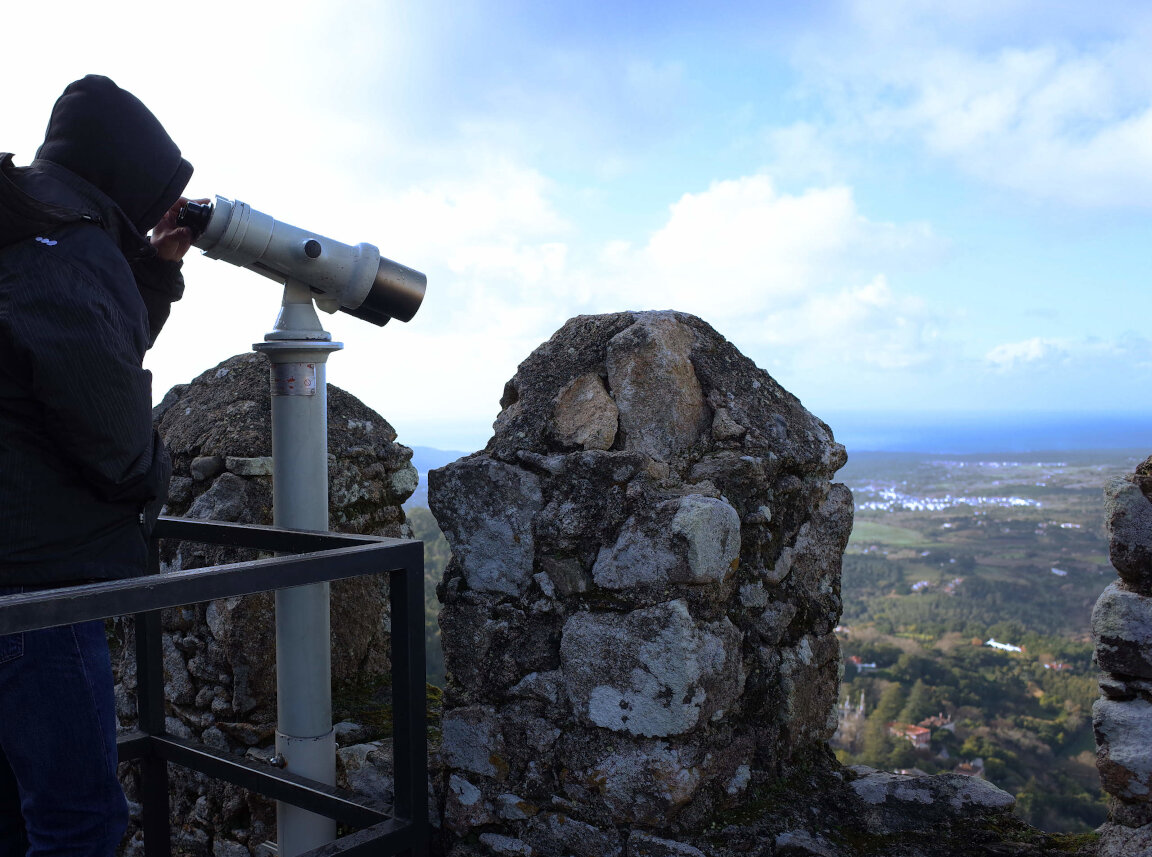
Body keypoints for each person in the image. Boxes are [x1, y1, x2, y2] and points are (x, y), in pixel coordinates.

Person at [0, 75, 195, 856]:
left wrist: (147, 274)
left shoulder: (30, 226)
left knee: (16, 813)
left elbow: (67, 353)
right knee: (81, 820)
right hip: (33, 590)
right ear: (128, 174)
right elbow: (109, 429)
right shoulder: (68, 248)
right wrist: (152, 480)